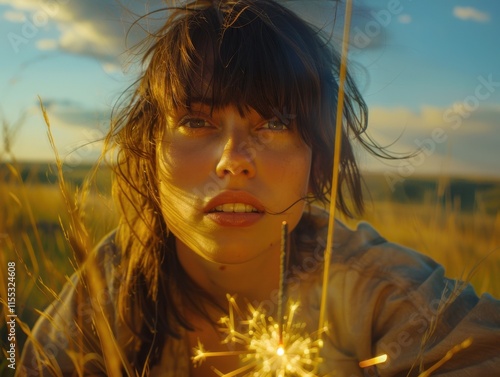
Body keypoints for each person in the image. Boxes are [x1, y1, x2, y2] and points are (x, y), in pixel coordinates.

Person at [18, 1, 500, 376]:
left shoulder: (383, 294)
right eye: (194, 120)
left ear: (317, 162)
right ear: (149, 154)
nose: (233, 161)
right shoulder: (117, 280)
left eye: (274, 123)